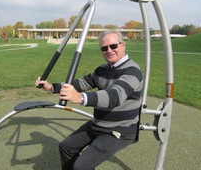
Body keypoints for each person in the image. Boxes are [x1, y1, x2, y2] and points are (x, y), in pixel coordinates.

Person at [35, 29, 143, 170]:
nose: (109, 50)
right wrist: (51, 87)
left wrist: (81, 98)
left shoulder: (132, 71)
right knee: (65, 146)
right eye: (104, 48)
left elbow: (115, 96)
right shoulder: (102, 69)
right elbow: (79, 84)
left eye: (113, 46)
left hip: (120, 130)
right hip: (99, 124)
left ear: (123, 45)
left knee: (81, 166)